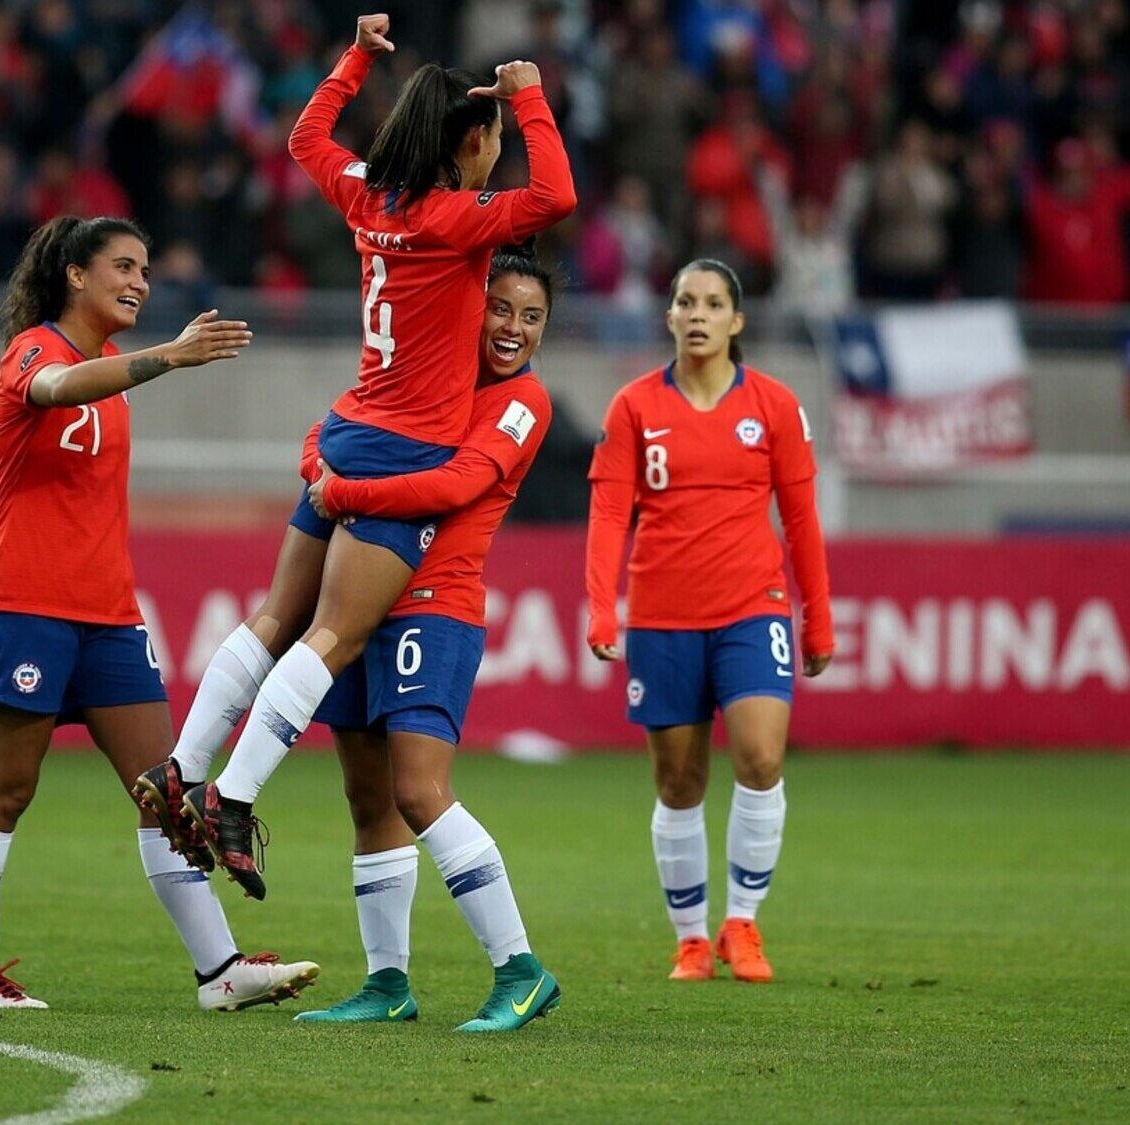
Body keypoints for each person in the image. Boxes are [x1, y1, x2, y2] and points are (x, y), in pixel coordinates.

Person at [134, 12, 577, 902]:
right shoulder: (457, 219)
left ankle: (180, 767)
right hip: (399, 450)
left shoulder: (368, 190)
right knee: (333, 636)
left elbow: (305, 136)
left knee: (275, 619)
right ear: (472, 140)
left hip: (346, 425)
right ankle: (233, 795)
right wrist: (530, 97)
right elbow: (556, 198)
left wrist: (353, 60)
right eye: (488, 137)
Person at [0, 214, 318, 1012]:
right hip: (18, 609)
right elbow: (54, 389)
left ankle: (220, 971)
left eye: (145, 269)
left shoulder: (116, 366)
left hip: (109, 617)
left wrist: (152, 361)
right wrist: (170, 357)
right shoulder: (36, 351)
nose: (140, 283)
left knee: (167, 793)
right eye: (123, 266)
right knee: (5, 790)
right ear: (75, 275)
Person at [293, 250, 562, 1032]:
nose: (512, 328)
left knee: (418, 789)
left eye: (531, 315)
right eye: (501, 309)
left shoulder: (524, 402)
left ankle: (521, 967)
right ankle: (387, 984)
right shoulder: (424, 375)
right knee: (368, 796)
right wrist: (323, 465)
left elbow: (457, 485)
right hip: (360, 601)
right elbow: (329, 430)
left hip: (434, 604)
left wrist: (341, 489)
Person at [584, 260, 834, 985]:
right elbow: (607, 515)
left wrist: (817, 619)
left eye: (713, 302)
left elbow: (802, 517)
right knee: (679, 781)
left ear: (737, 320)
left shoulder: (776, 406)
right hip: (662, 615)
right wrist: (604, 606)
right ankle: (692, 937)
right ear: (668, 317)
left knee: (760, 757)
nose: (698, 313)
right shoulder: (633, 407)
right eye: (685, 301)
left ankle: (743, 924)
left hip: (752, 608)